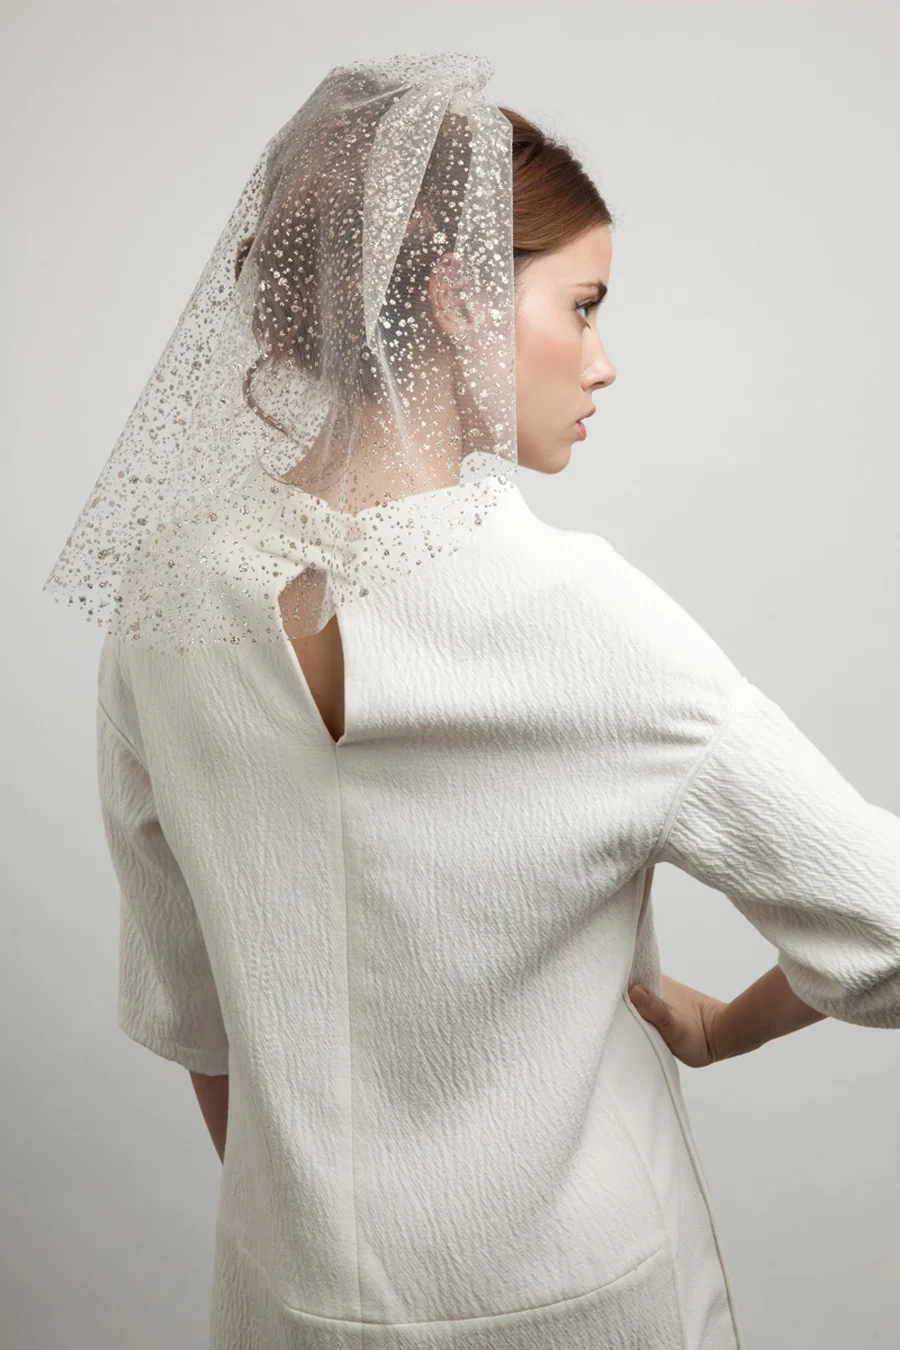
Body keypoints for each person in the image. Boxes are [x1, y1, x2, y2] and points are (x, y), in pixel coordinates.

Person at [48, 54, 900, 1350]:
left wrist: (327, 1269)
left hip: (287, 1304)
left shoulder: (167, 596)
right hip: (585, 1305)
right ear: (456, 301)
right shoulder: (587, 620)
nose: (603, 362)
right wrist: (723, 1029)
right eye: (584, 305)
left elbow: (193, 1015)